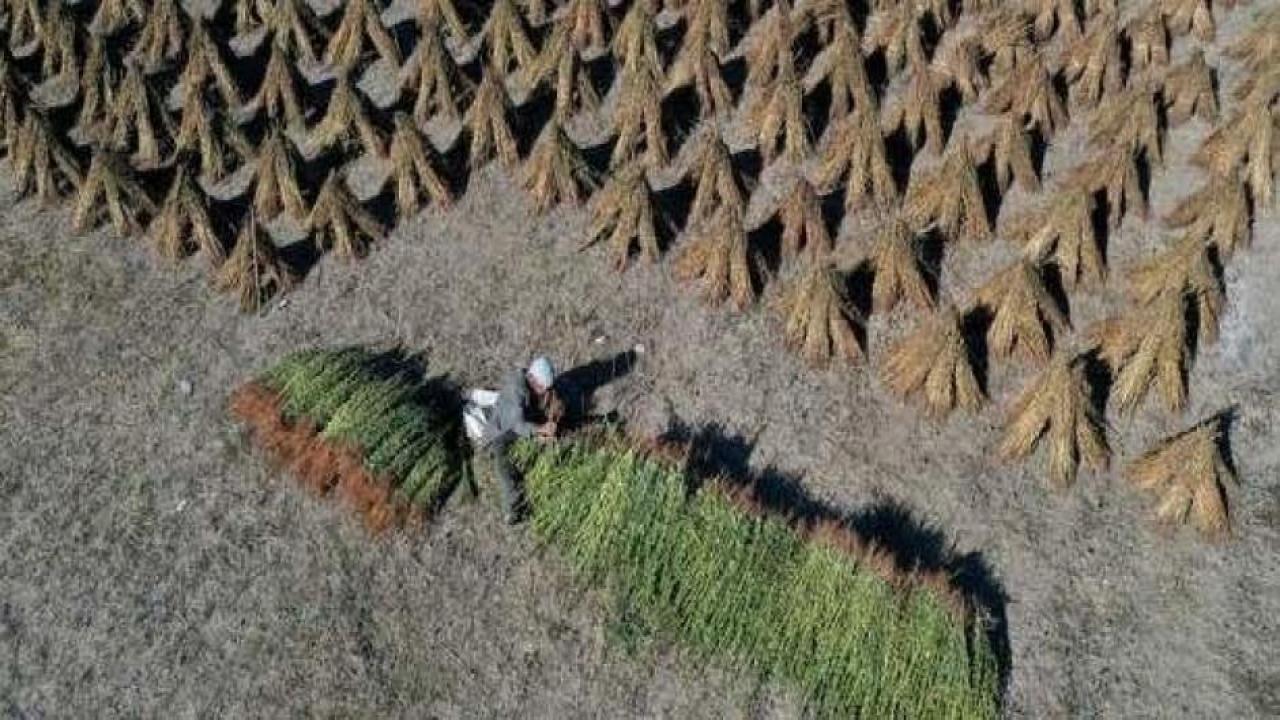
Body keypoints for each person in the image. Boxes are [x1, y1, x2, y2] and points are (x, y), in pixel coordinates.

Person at [464, 356, 559, 524]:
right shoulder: (516, 391)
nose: (544, 391)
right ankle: (512, 509)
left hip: (517, 426)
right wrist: (540, 430)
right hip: (498, 435)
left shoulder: (531, 384)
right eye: (543, 388)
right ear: (533, 380)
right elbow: (518, 425)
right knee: (503, 465)